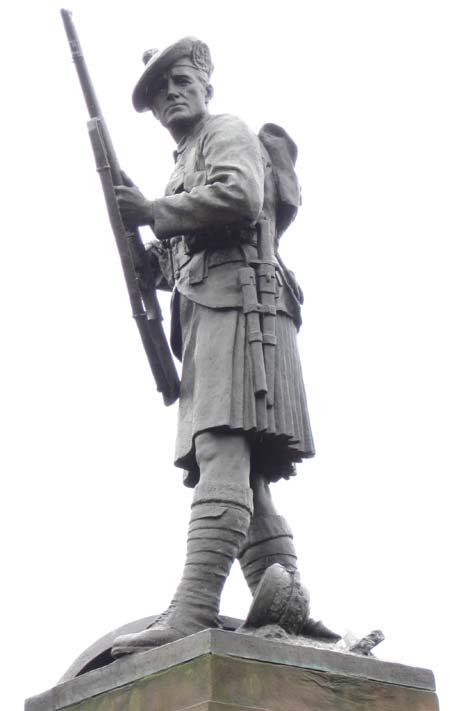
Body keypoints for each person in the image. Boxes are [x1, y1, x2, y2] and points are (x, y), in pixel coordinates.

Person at [111, 37, 317, 656]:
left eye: (180, 81)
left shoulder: (223, 130)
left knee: (221, 450)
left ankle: (194, 609)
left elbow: (240, 197)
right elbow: (186, 250)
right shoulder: (183, 160)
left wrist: (154, 210)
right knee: (245, 477)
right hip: (212, 308)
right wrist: (153, 261)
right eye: (158, 92)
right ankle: (291, 608)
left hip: (240, 304)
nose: (170, 95)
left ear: (205, 85)